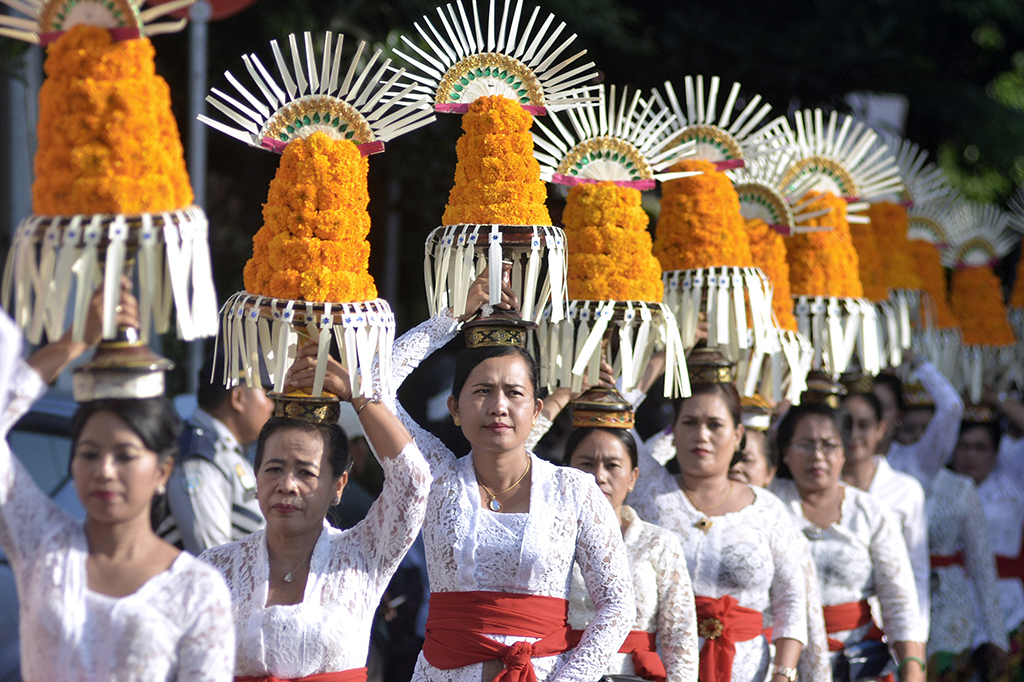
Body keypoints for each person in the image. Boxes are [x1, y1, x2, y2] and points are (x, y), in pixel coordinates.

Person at [383, 275, 635, 682]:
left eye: (514, 393)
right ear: (454, 408)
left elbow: (617, 604)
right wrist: (451, 318)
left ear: (536, 410)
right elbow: (375, 386)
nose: (498, 406)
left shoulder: (574, 490)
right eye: (482, 391)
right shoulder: (435, 476)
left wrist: (569, 679)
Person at [0, 289, 234, 681]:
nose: (105, 470)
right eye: (90, 454)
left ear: (163, 471)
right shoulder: (43, 546)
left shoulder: (198, 589)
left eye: (125, 455)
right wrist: (72, 344)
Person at [199, 348, 431, 681]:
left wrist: (357, 394)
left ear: (338, 485)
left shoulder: (361, 555)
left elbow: (413, 480)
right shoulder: (216, 567)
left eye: (306, 473)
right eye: (274, 469)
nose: (287, 485)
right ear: (256, 476)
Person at [627, 368, 809, 682]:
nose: (702, 435)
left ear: (737, 435)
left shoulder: (767, 509)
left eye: (715, 425)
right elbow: (618, 409)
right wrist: (660, 357)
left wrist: (784, 675)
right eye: (690, 423)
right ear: (673, 432)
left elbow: (791, 602)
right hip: (658, 670)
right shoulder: (649, 490)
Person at [532, 408, 699, 681]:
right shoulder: (545, 538)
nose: (599, 476)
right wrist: (558, 401)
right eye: (586, 464)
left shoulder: (658, 543)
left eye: (612, 465)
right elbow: (505, 460)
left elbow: (680, 639)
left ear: (633, 477)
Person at [770, 402, 926, 682]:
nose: (817, 456)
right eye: (805, 445)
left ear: (843, 452)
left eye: (829, 445)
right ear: (785, 452)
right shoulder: (767, 505)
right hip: (779, 660)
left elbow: (899, 601)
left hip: (855, 663)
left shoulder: (870, 512)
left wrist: (912, 668)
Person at [160, 350, 273, 554]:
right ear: (238, 398)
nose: (272, 405)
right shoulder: (199, 461)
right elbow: (212, 557)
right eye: (266, 393)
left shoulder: (225, 451)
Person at [840, 389, 930, 639]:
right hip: (839, 625)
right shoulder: (822, 490)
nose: (854, 434)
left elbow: (918, 573)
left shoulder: (906, 490)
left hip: (894, 627)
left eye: (864, 425)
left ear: (881, 428)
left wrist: (917, 640)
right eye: (846, 425)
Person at [950, 414, 1024, 678]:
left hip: (1010, 603)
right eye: (963, 446)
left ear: (996, 452)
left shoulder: (1014, 483)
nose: (971, 455)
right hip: (953, 603)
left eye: (981, 447)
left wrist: (996, 398)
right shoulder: (939, 487)